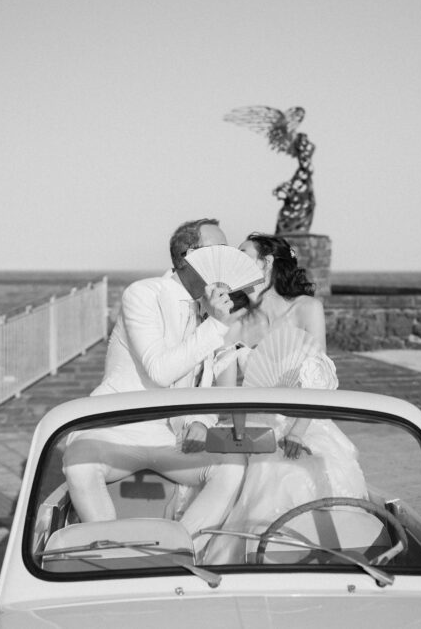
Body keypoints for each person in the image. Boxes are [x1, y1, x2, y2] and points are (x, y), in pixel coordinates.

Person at [62, 218, 246, 557]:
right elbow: (160, 371)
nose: (227, 258)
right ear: (188, 256)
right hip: (119, 430)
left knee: (232, 465)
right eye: (218, 250)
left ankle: (179, 551)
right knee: (78, 461)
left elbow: (207, 382)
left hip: (171, 439)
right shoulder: (143, 293)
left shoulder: (210, 310)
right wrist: (217, 326)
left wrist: (200, 421)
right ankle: (113, 553)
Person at [203, 233, 368, 564]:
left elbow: (319, 378)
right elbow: (227, 396)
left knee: (307, 477)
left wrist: (297, 431)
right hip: (256, 429)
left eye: (242, 254)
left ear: (266, 263)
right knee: (261, 482)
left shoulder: (307, 309)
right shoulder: (235, 324)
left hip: (306, 421)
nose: (233, 261)